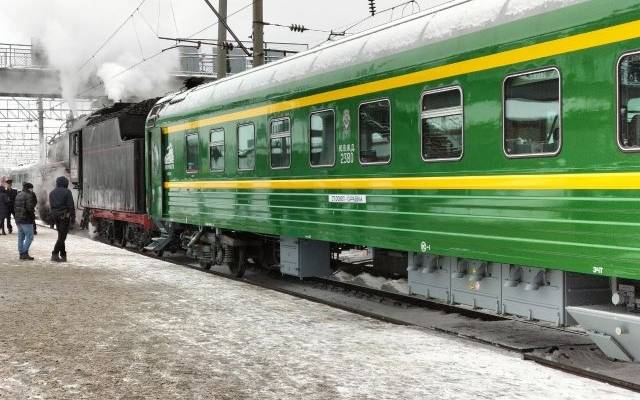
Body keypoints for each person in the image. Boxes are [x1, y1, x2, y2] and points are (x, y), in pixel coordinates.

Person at [49, 176, 75, 262]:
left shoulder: (52, 193)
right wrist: (73, 218)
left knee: (61, 235)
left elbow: (51, 207)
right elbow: (71, 206)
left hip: (56, 217)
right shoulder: (67, 192)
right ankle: (54, 253)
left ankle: (63, 255)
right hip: (64, 217)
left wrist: (52, 219)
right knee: (62, 237)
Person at [14, 182, 36, 260]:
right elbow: (29, 208)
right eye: (31, 188)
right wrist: (33, 217)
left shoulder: (18, 194)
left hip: (18, 219)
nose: (32, 190)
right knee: (30, 237)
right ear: (29, 188)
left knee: (21, 237)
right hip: (26, 219)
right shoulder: (28, 195)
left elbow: (15, 207)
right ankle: (24, 252)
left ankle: (21, 253)